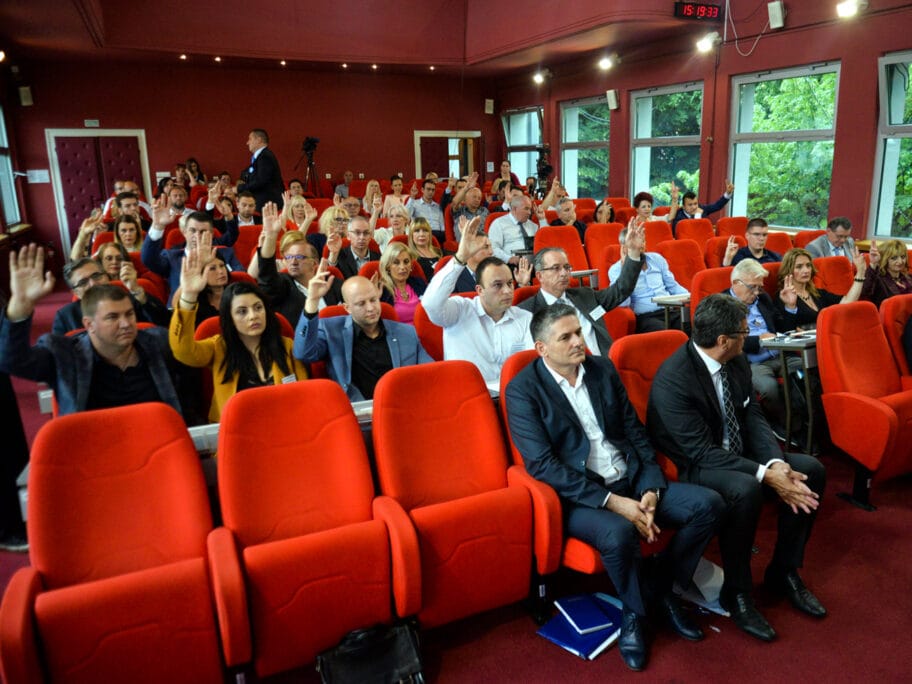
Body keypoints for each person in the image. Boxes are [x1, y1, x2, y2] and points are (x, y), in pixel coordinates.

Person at [504, 304, 724, 671]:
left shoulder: (602, 369)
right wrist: (613, 502)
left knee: (709, 506)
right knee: (620, 533)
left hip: (632, 479)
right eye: (567, 337)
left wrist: (651, 488)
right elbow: (543, 466)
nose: (579, 342)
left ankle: (662, 589)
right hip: (581, 497)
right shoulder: (523, 390)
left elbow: (635, 434)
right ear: (542, 348)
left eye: (578, 332)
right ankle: (636, 613)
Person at [648, 294, 827, 643]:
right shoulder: (674, 380)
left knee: (811, 469)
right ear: (723, 340)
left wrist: (775, 463)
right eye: (744, 332)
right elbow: (700, 452)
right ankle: (738, 591)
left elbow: (752, 416)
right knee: (744, 489)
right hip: (694, 465)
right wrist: (764, 475)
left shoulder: (736, 360)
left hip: (736, 453)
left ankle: (784, 570)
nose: (750, 336)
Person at [1, 245, 185, 418]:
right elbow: (12, 361)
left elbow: (188, 370)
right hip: (95, 443)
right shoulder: (65, 355)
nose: (125, 324)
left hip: (156, 436)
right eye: (112, 317)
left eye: (129, 314)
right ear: (89, 325)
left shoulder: (157, 342)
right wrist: (20, 308)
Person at [170, 236, 307, 422]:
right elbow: (182, 350)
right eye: (242, 311)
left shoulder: (287, 346)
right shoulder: (218, 348)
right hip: (236, 433)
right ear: (230, 318)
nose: (253, 316)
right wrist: (189, 294)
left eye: (258, 308)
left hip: (285, 428)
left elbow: (304, 397)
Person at [422, 218, 533, 393]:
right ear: (479, 290)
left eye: (510, 284)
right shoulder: (459, 311)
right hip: (467, 398)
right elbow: (430, 303)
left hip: (514, 396)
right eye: (497, 285)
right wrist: (460, 259)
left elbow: (529, 367)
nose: (507, 291)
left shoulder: (525, 318)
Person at [293, 269, 432, 400]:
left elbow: (430, 373)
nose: (371, 308)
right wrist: (312, 301)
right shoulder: (331, 331)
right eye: (361, 304)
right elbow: (303, 353)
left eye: (373, 300)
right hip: (357, 414)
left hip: (400, 407)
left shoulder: (406, 333)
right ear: (347, 308)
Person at [518, 223, 644, 355]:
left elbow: (621, 290)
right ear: (540, 276)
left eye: (567, 267)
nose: (563, 273)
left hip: (603, 366)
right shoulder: (527, 312)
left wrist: (634, 252)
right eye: (556, 268)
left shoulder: (585, 295)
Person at [724, 259, 800, 437]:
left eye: (760, 288)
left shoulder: (762, 299)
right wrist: (758, 340)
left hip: (779, 354)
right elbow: (727, 340)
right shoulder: (724, 304)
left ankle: (803, 423)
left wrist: (789, 306)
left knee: (806, 372)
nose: (756, 293)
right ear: (736, 283)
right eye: (753, 287)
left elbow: (782, 329)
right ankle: (781, 425)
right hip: (752, 362)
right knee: (768, 388)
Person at [257, 203, 342, 327]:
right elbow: (266, 277)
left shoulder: (331, 281)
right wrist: (271, 236)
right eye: (289, 257)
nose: (293, 262)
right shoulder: (283, 285)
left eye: (299, 257)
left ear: (314, 262)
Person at [142, 199, 243, 296]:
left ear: (212, 234)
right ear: (185, 232)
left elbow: (241, 278)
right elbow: (148, 259)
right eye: (193, 231)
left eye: (203, 231)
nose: (197, 236)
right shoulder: (172, 257)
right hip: (182, 309)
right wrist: (158, 226)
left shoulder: (226, 253)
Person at [53, 256, 169, 334]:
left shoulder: (131, 299)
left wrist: (136, 290)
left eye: (96, 276)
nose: (93, 284)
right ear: (75, 293)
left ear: (107, 277)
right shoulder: (65, 316)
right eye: (83, 282)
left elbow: (164, 323)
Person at [608, 224, 689, 333]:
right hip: (646, 317)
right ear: (624, 247)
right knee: (665, 333)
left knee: (695, 325)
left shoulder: (656, 258)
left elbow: (673, 286)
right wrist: (625, 272)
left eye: (643, 241)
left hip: (670, 310)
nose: (641, 245)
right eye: (636, 242)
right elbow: (623, 303)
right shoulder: (616, 270)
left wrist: (691, 298)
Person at [775, 247, 866, 329]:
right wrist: (790, 306)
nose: (806, 270)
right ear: (788, 270)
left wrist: (861, 272)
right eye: (799, 267)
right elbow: (784, 330)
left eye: (808, 265)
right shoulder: (783, 296)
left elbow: (846, 303)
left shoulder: (817, 293)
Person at [378, 241, 426, 324]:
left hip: (424, 331)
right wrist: (375, 299)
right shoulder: (382, 290)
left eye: (406, 262)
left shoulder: (419, 283)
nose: (402, 267)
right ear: (388, 266)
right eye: (396, 262)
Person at [239, 128, 284, 210]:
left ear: (259, 140)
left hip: (267, 204)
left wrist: (240, 188)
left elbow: (261, 181)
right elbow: (247, 172)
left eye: (250, 139)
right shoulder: (260, 156)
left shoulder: (265, 156)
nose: (247, 143)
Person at [860, 238, 912, 308]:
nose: (900, 262)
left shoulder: (908, 277)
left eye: (903, 257)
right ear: (884, 259)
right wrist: (873, 264)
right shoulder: (877, 280)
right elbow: (865, 292)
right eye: (894, 258)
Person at [487, 194, 538, 265]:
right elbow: (493, 248)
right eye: (526, 209)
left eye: (530, 209)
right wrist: (508, 259)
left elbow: (545, 243)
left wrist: (542, 219)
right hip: (510, 264)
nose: (529, 213)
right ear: (514, 209)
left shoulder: (532, 225)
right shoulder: (499, 223)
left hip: (533, 262)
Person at [328, 215, 380, 279]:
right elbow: (331, 278)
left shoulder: (378, 258)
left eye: (366, 233)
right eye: (357, 233)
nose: (362, 237)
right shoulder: (339, 256)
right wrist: (333, 254)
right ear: (348, 235)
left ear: (370, 236)